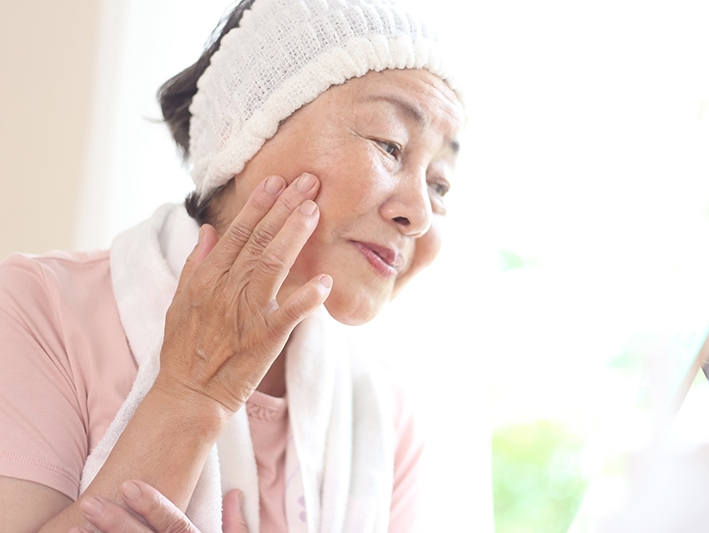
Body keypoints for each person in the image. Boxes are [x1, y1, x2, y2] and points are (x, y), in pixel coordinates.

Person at [0, 0, 463, 531]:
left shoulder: (385, 415)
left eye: (440, 184)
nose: (421, 214)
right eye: (389, 143)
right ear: (245, 132)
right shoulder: (40, 309)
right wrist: (191, 394)